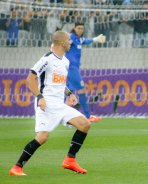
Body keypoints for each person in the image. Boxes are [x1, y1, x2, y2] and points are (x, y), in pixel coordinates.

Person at [9, 31, 91, 176]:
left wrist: (69, 94)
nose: (70, 42)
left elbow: (59, 84)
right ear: (61, 43)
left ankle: (70, 160)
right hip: (46, 104)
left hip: (60, 104)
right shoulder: (46, 59)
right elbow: (30, 79)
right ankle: (17, 167)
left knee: (84, 124)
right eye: (68, 40)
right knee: (42, 137)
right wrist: (39, 97)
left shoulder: (65, 61)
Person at [65, 22, 106, 122]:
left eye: (82, 28)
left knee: (68, 93)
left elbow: (86, 41)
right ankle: (88, 116)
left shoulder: (79, 39)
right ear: (74, 28)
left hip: (72, 69)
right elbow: (64, 42)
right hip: (71, 68)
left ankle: (62, 117)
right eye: (78, 28)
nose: (80, 30)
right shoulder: (71, 37)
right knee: (81, 90)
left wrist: (96, 39)